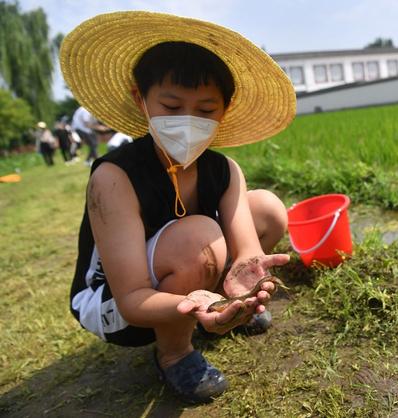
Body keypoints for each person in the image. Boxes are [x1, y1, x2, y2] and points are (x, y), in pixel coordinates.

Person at [59, 11, 296, 404]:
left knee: (267, 209)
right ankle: (174, 353)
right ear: (141, 99)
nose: (188, 122)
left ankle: (223, 311)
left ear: (225, 108)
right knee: (198, 241)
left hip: (174, 271)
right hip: (116, 302)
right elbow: (133, 298)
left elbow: (248, 245)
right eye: (171, 106)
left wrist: (246, 282)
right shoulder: (115, 178)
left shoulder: (224, 170)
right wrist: (196, 305)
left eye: (205, 111)